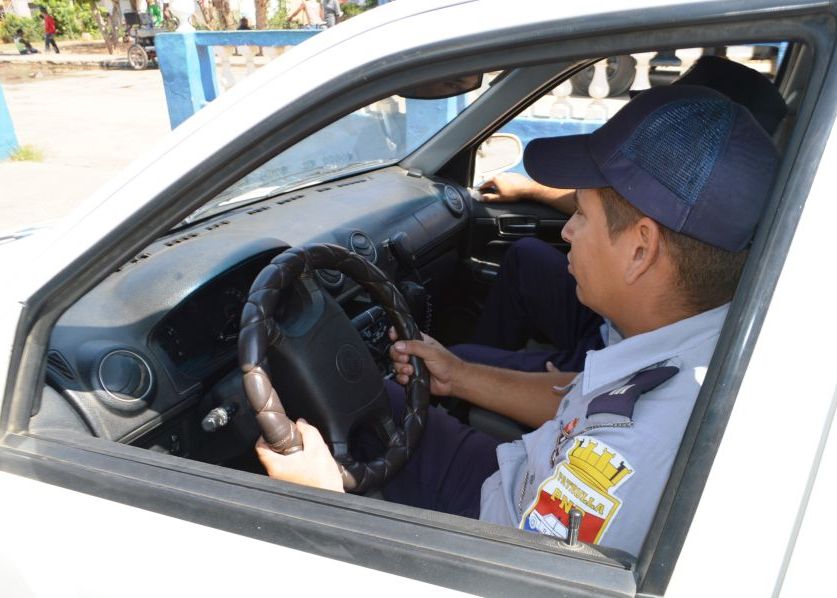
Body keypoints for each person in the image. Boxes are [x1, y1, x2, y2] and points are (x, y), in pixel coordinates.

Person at [255, 84, 779, 556]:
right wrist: (456, 374)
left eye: (583, 214)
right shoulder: (684, 338)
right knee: (369, 396)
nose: (567, 231)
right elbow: (582, 399)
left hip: (492, 534)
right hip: (516, 475)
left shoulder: (637, 451)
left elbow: (499, 576)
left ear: (641, 250)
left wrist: (324, 508)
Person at [456, 56, 789, 375]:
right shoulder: (710, 205)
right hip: (608, 329)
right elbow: (612, 213)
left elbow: (590, 397)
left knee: (457, 361)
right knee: (526, 257)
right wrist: (532, 190)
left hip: (612, 356)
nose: (567, 232)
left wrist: (458, 373)